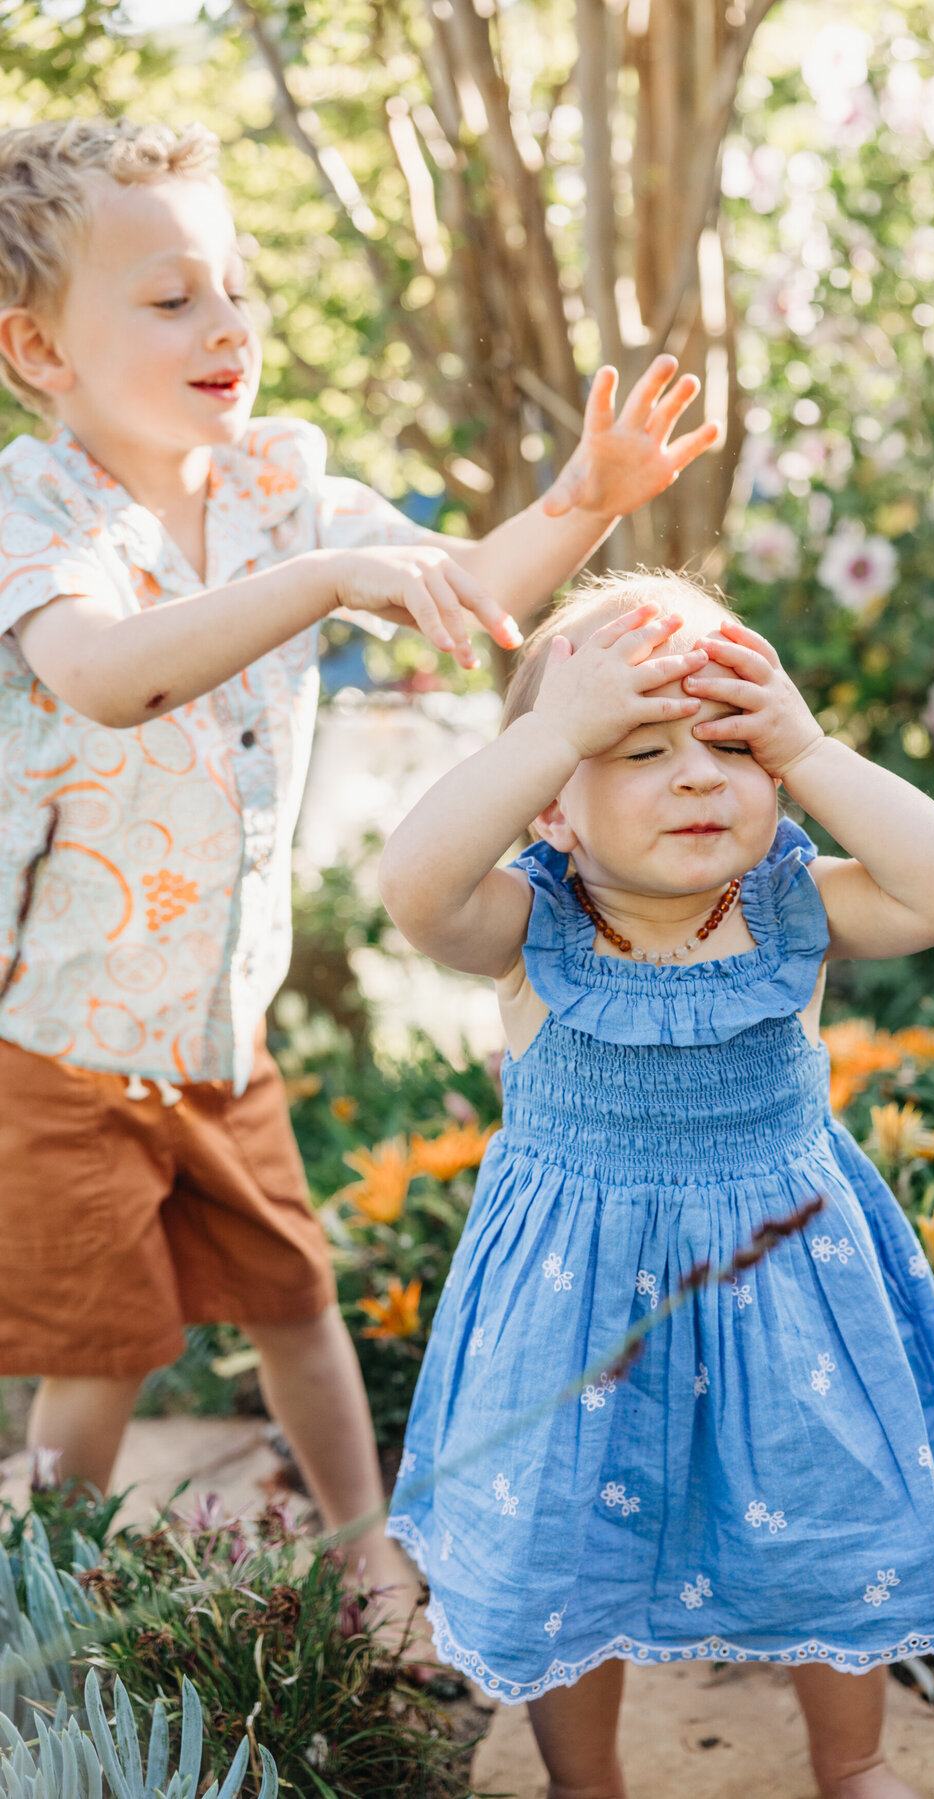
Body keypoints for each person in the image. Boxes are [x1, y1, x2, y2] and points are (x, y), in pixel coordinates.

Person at [0, 117, 716, 1656]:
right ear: (37, 347)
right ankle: (41, 1604)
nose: (231, 324)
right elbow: (109, 676)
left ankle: (370, 1555)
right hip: (56, 1038)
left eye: (237, 286)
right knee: (101, 1344)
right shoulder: (40, 513)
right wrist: (325, 579)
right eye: (174, 295)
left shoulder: (279, 483)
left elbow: (461, 590)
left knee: (296, 1296)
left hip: (218, 1024)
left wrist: (583, 498)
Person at [378, 571, 934, 1799]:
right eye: (638, 746)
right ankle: (585, 1776)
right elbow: (414, 885)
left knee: (833, 1500)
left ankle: (855, 1760)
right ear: (550, 806)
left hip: (791, 1276)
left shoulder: (795, 905)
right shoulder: (527, 923)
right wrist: (553, 728)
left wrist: (813, 748)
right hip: (575, 1296)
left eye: (730, 741)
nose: (697, 774)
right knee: (566, 1532)